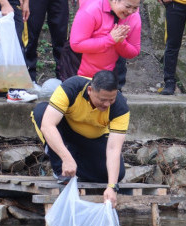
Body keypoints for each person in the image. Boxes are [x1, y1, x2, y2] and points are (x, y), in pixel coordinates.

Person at [31, 70, 128, 205]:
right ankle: (61, 168)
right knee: (42, 111)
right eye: (102, 100)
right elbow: (48, 125)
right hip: (67, 130)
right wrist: (66, 158)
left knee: (117, 174)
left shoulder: (120, 107)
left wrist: (112, 186)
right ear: (90, 90)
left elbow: (113, 149)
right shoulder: (71, 87)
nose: (107, 104)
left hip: (93, 139)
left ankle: (74, 166)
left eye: (111, 100)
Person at [70, 0, 141, 81]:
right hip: (80, 74)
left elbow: (134, 51)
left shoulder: (134, 17)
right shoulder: (91, 9)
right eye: (128, 6)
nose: (131, 11)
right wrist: (110, 40)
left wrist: (120, 43)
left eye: (135, 8)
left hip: (110, 78)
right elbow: (76, 44)